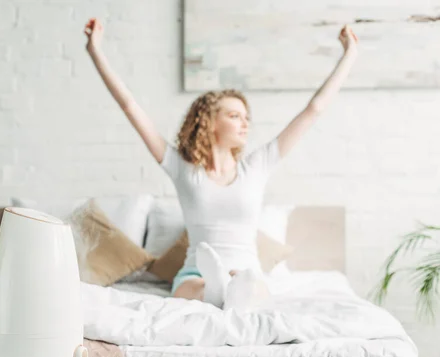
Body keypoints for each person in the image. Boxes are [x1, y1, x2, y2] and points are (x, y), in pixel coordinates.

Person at [84, 18, 358, 310]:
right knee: (190, 289)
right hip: (196, 274)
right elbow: (129, 105)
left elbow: (313, 110)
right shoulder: (182, 168)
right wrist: (95, 50)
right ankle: (218, 290)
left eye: (246, 118)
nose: (245, 124)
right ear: (210, 122)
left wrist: (349, 54)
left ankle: (232, 289)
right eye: (234, 116)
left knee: (250, 287)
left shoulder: (257, 166)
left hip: (248, 271)